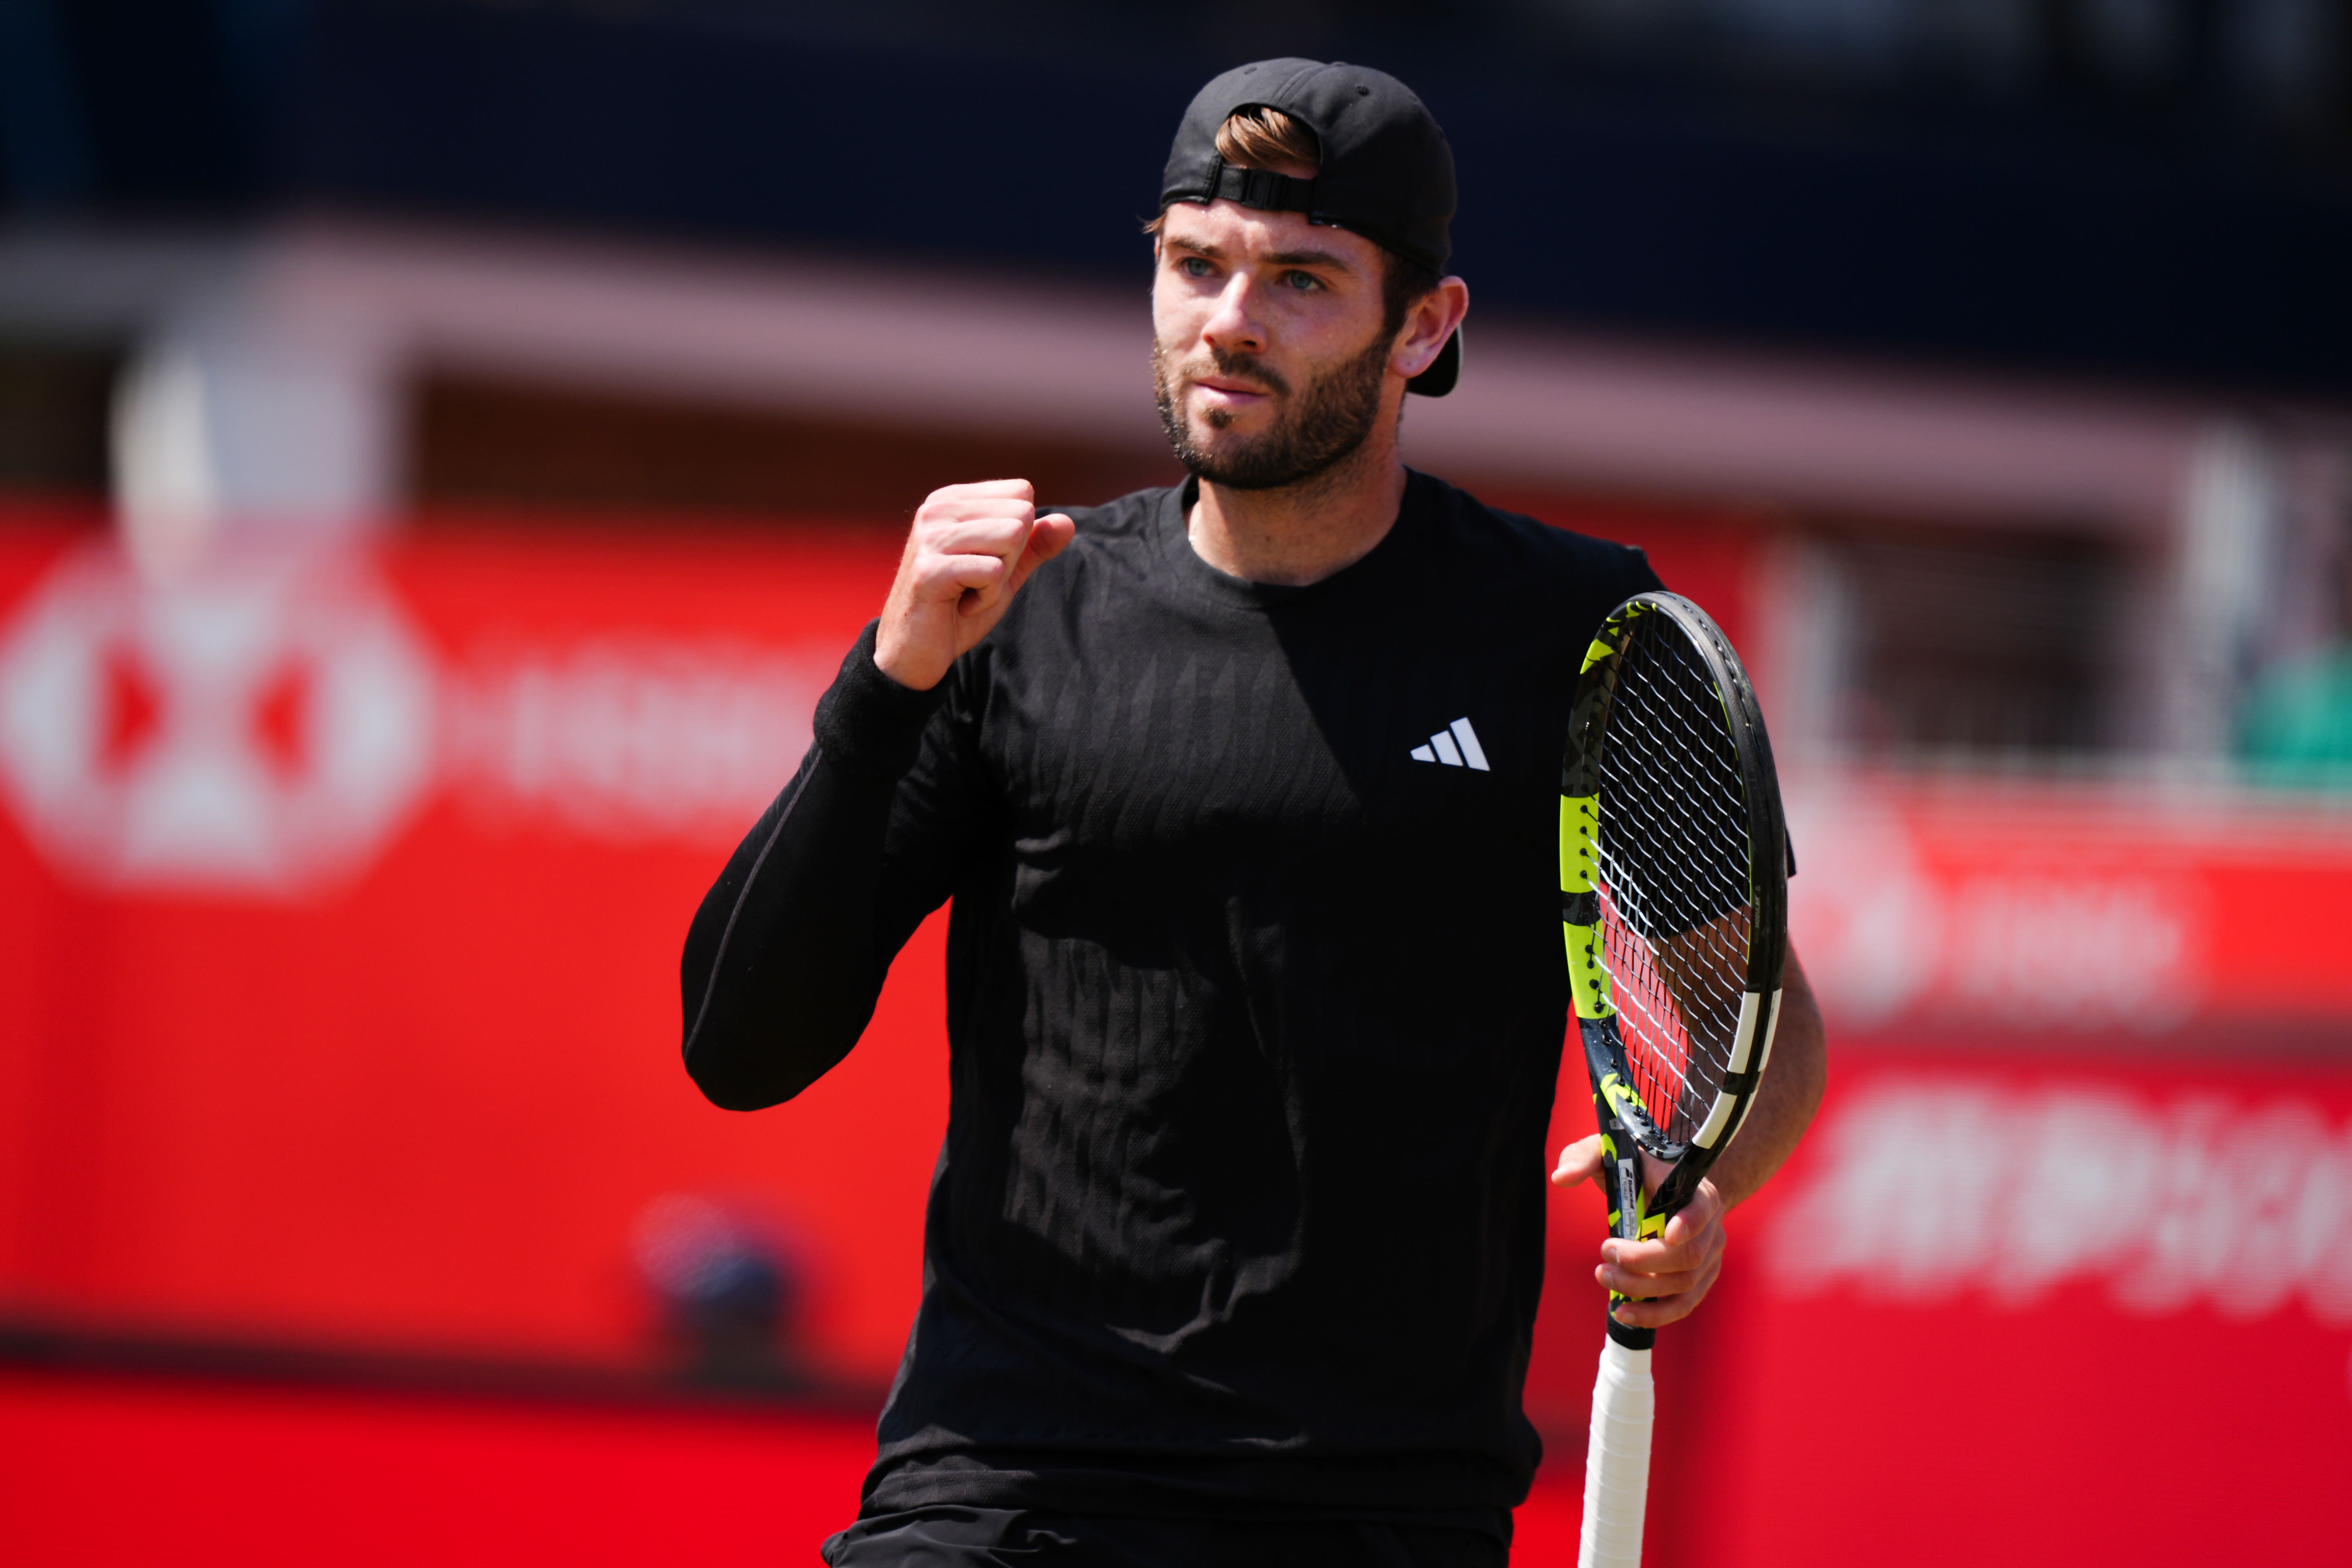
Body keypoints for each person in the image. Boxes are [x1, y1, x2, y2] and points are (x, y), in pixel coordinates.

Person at [681, 58, 1826, 1568]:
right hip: (1004, 1494)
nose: (1228, 318)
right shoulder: (1019, 613)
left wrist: (1698, 1191)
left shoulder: (1575, 627)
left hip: (1379, 1511)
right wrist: (886, 685)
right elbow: (741, 1048)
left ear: (1423, 328)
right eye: (1193, 264)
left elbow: (1761, 1030)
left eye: (1299, 279)